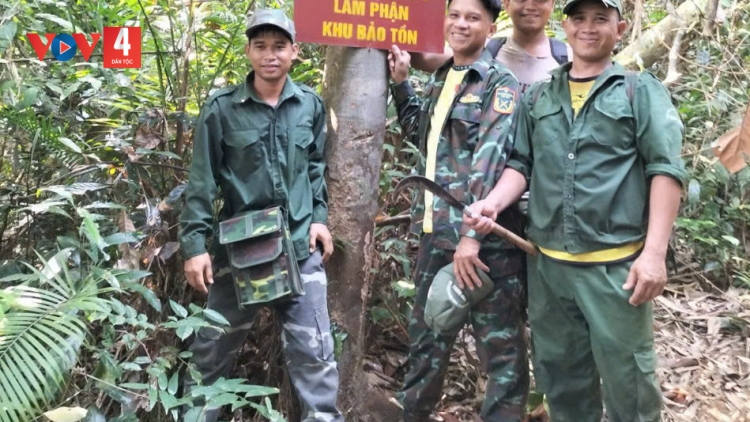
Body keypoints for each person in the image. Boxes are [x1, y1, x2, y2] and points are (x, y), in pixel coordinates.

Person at [465, 0, 686, 421]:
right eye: (579, 18)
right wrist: (491, 204)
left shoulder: (638, 90)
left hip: (615, 273)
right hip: (549, 270)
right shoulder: (542, 94)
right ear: (565, 26)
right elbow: (521, 166)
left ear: (619, 29)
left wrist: (654, 254)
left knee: (631, 389)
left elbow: (665, 170)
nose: (589, 28)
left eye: (601, 19)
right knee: (563, 386)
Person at [179, 9, 343, 422]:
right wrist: (194, 247)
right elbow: (202, 182)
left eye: (279, 46)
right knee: (210, 356)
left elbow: (315, 169)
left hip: (300, 245)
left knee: (316, 358)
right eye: (261, 46)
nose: (270, 55)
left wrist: (320, 218)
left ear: (295, 52)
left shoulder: (309, 105)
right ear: (249, 51)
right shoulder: (222, 109)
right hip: (241, 250)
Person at [388, 0, 527, 420]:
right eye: (455, 15)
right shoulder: (444, 76)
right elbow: (423, 135)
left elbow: (491, 159)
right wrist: (401, 84)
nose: (461, 24)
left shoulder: (499, 83)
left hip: (484, 245)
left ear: (491, 25)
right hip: (436, 233)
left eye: (473, 17)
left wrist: (472, 237)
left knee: (500, 350)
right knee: (427, 340)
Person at [411, 0, 569, 94]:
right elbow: (425, 58)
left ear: (552, 5)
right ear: (506, 4)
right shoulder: (484, 50)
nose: (530, 5)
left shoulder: (569, 57)